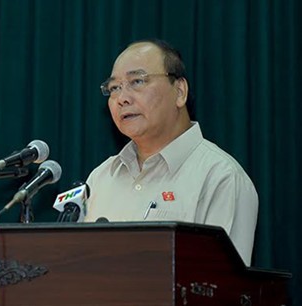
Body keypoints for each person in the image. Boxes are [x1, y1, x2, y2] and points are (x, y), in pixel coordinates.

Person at [83, 39, 258, 266]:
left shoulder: (220, 178)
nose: (122, 98)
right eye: (115, 88)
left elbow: (221, 288)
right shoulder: (101, 177)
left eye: (137, 81)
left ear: (180, 91)